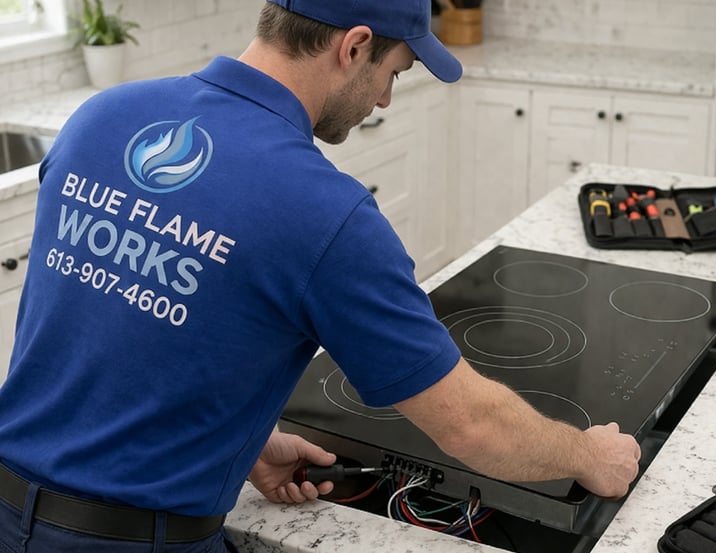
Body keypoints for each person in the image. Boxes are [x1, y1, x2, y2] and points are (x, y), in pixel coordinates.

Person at [0, 0, 641, 551]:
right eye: (395, 72)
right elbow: (471, 424)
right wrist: (591, 457)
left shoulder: (101, 118)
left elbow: (116, 331)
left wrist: (244, 445)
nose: (387, 97)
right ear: (355, 45)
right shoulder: (326, 212)